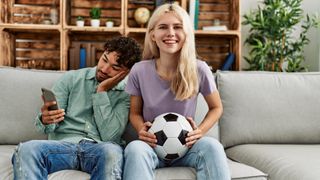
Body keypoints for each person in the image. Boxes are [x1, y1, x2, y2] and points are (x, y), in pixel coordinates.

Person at [123, 3, 230, 180]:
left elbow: (216, 107)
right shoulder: (139, 70)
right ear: (153, 35)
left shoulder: (199, 69)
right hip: (152, 146)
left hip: (187, 148)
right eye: (163, 27)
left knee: (213, 146)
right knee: (134, 148)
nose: (170, 33)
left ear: (186, 33)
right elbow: (134, 112)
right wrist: (142, 129)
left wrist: (200, 132)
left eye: (177, 27)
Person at [11, 36, 141, 180]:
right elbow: (48, 126)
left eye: (115, 68)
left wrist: (101, 91)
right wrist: (46, 120)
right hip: (62, 146)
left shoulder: (126, 95)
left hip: (99, 148)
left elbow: (109, 136)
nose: (104, 69)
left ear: (127, 72)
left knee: (112, 152)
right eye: (104, 59)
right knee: (27, 150)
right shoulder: (71, 78)